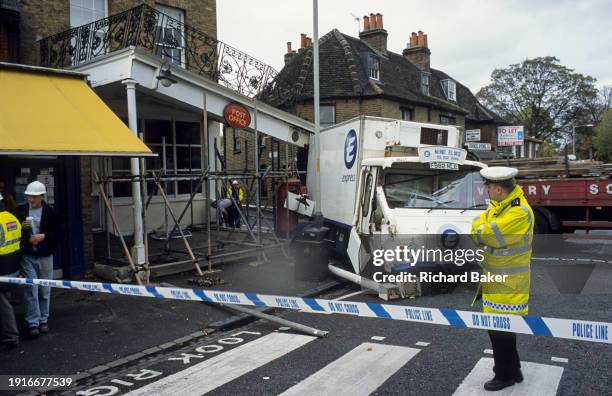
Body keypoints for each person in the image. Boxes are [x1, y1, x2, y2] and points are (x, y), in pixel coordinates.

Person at [471, 167, 534, 391]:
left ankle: (504, 375)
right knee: (502, 330)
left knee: (500, 332)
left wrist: (480, 229)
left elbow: (483, 233)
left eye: (487, 187)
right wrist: (480, 226)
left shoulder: (518, 213)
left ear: (498, 189)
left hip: (509, 284)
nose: (486, 191)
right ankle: (514, 370)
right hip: (498, 281)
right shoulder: (501, 207)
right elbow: (479, 222)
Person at [16, 181, 60, 338]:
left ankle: (43, 320)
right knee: (30, 290)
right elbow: (13, 234)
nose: (31, 200)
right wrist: (22, 227)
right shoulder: (20, 212)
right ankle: (33, 323)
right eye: (29, 196)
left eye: (34, 197)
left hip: (45, 256)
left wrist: (44, 236)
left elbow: (59, 234)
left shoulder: (51, 213)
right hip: (28, 256)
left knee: (44, 289)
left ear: (42, 196)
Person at [0, 193, 21, 350]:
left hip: (2, 271)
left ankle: (10, 338)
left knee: (3, 304)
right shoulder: (11, 218)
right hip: (14, 269)